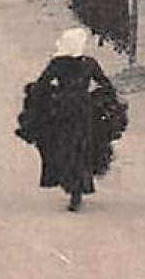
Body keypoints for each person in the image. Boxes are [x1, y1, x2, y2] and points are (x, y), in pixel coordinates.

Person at [15, 27, 128, 212]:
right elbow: (105, 84)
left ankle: (69, 181)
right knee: (82, 146)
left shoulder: (58, 64)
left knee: (63, 144)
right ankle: (79, 184)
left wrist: (43, 96)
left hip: (62, 110)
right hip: (84, 109)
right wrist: (97, 97)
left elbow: (42, 84)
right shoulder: (89, 63)